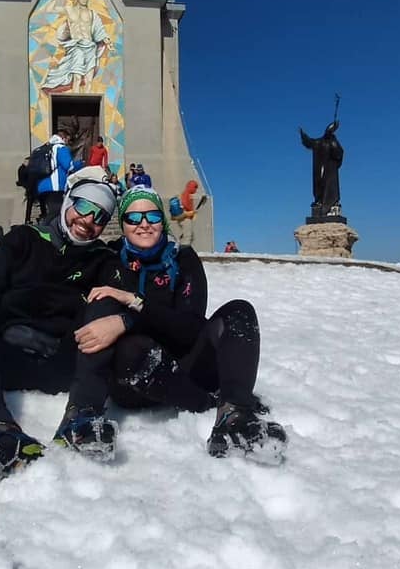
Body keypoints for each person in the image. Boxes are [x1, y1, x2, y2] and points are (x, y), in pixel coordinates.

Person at [0, 168, 132, 483]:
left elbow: (128, 300)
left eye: (100, 216)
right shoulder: (22, 239)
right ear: (68, 201)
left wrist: (121, 320)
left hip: (66, 361)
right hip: (11, 357)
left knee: (107, 301)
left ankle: (81, 418)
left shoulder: (103, 259)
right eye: (83, 206)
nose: (88, 220)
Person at [85, 185, 287, 462]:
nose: (144, 224)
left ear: (163, 220)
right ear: (122, 224)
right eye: (133, 218)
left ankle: (235, 412)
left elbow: (191, 328)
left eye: (153, 216)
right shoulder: (108, 261)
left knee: (239, 311)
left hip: (186, 362)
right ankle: (206, 403)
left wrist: (133, 307)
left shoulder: (182, 258)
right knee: (131, 349)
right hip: (136, 379)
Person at [42, 0, 112, 93]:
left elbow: (99, 30)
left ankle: (87, 102)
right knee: (77, 78)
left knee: (89, 80)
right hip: (76, 47)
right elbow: (49, 9)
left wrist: (107, 41)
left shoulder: (92, 13)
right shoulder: (69, 10)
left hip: (90, 48)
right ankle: (75, 99)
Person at [300, 121, 344, 215]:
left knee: (330, 187)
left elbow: (339, 153)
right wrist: (303, 136)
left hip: (330, 171)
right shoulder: (319, 142)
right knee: (319, 185)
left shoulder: (333, 141)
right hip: (320, 169)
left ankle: (331, 204)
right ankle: (319, 202)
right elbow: (309, 142)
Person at [34, 129, 74, 221]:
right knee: (56, 212)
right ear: (64, 138)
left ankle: (45, 225)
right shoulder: (61, 148)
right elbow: (69, 166)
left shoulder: (47, 148)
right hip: (55, 186)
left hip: (42, 186)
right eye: (68, 139)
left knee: (53, 212)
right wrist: (80, 164)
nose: (68, 142)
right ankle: (43, 227)